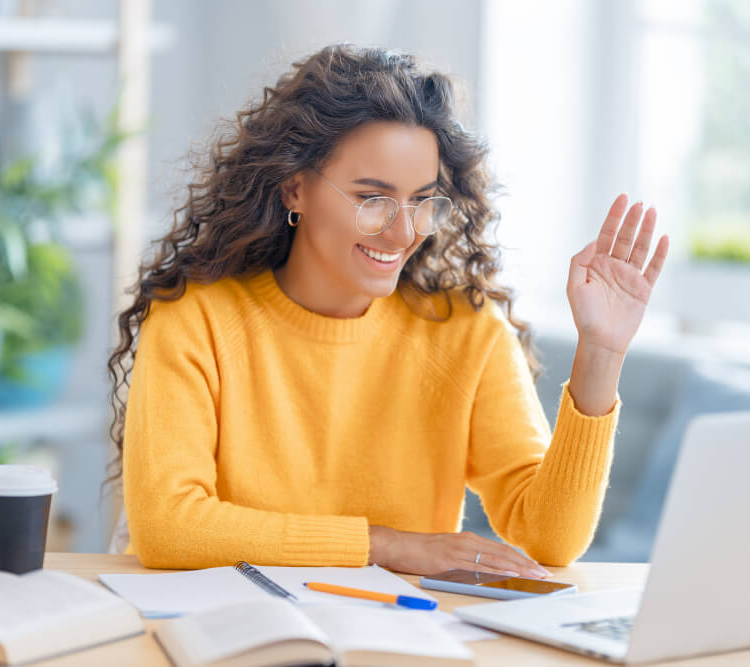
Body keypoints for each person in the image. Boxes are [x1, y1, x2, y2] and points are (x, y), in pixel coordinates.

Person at [106, 44, 668, 577]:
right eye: (372, 198)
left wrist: (602, 352)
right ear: (294, 189)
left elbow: (550, 538)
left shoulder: (466, 334)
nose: (403, 232)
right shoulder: (194, 319)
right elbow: (169, 527)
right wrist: (387, 545)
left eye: (422, 200)